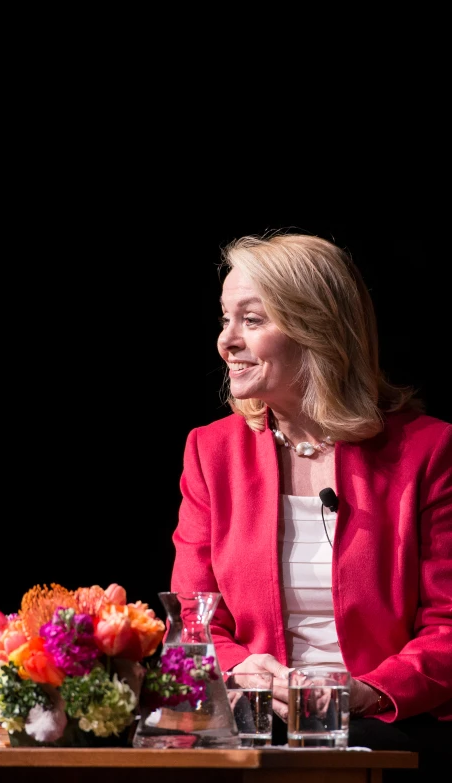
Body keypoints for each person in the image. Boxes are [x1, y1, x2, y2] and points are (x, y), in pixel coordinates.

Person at [169, 231, 452, 775]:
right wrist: (243, 671)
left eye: (252, 321)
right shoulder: (211, 451)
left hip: (387, 724)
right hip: (251, 720)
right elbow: (193, 617)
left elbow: (447, 625)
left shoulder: (427, 451)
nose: (227, 341)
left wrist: (364, 692)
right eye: (225, 319)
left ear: (316, 330)